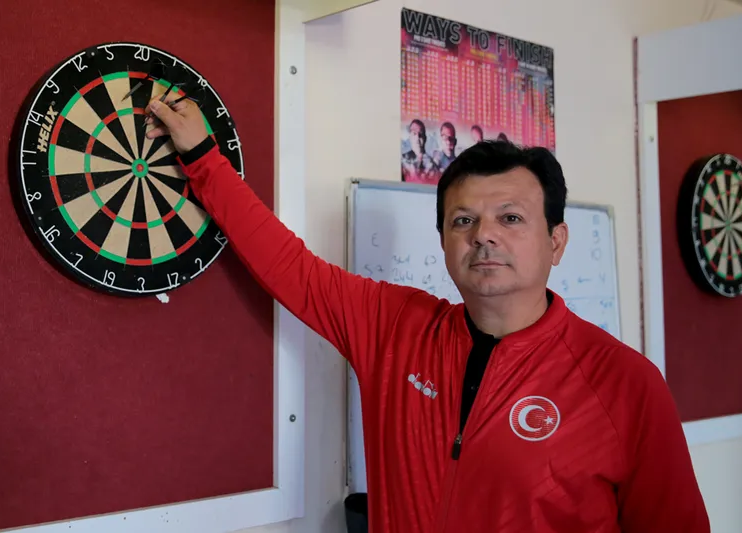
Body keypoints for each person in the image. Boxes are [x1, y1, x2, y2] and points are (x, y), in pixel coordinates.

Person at [145, 96, 710, 533]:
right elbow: (290, 268)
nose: (484, 235)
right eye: (463, 221)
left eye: (511, 218)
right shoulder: (395, 329)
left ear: (556, 242)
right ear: (443, 240)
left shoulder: (625, 385)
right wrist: (203, 158)